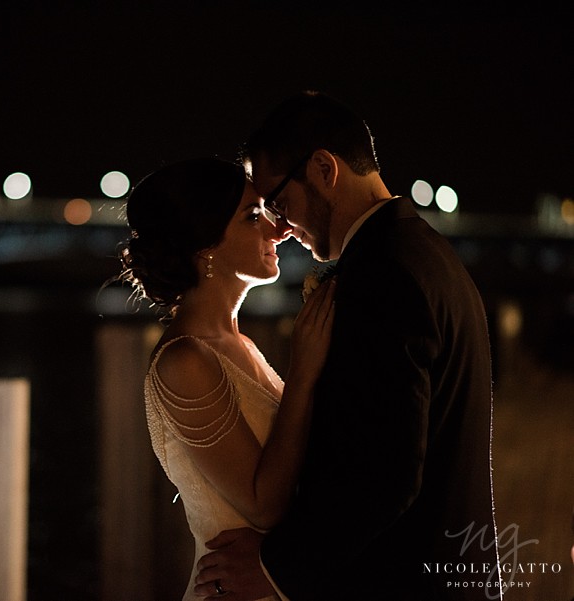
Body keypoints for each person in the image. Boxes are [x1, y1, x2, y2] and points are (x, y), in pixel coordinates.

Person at [193, 90, 503, 600]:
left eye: (280, 203)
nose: (280, 227)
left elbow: (384, 473)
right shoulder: (422, 252)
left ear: (323, 168)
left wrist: (276, 568)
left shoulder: (383, 275)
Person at [116, 157, 336, 601]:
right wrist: (304, 370)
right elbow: (263, 505)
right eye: (254, 217)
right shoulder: (184, 361)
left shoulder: (240, 344)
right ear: (205, 246)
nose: (279, 230)